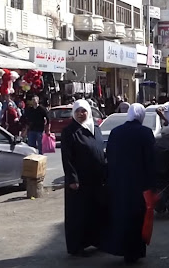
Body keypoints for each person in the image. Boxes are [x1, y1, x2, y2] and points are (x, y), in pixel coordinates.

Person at [102, 103, 155, 264]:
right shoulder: (145, 133)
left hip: (118, 182)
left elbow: (109, 156)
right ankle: (135, 252)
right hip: (139, 184)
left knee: (121, 215)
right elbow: (150, 160)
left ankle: (121, 248)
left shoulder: (115, 132)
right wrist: (152, 183)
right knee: (136, 217)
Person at [60, 99, 107, 256]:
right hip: (80, 182)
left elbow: (100, 151)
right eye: (78, 111)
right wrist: (72, 179)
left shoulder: (95, 129)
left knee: (96, 211)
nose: (81, 114)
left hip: (96, 180)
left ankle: (98, 240)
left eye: (84, 111)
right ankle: (77, 246)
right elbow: (67, 158)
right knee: (78, 214)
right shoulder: (70, 132)